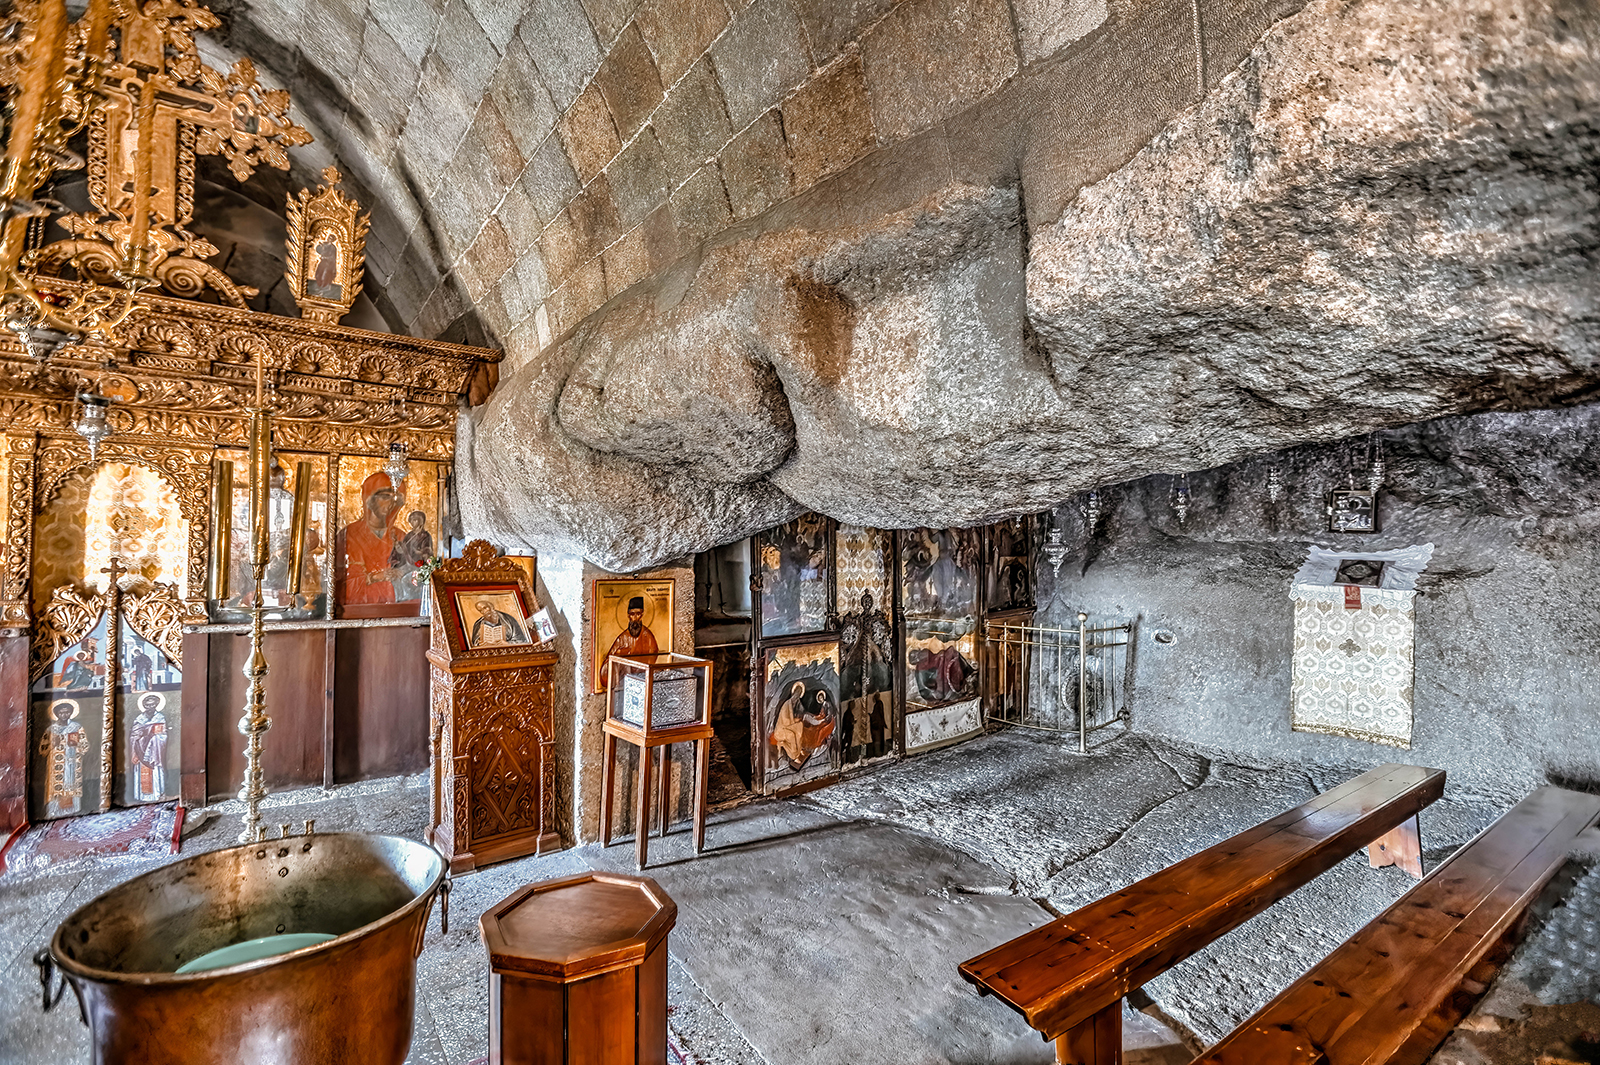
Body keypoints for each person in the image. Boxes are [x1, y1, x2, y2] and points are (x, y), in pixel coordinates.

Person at [337, 471, 402, 605]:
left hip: (395, 607)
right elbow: (341, 579)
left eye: (393, 498)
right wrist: (377, 577)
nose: (390, 503)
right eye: (384, 497)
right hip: (359, 607)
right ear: (370, 499)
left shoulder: (400, 535)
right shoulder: (350, 534)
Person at [601, 596, 659, 688]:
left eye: (638, 613)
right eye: (632, 614)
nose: (635, 617)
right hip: (625, 681)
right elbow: (608, 663)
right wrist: (619, 656)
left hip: (643, 680)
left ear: (642, 614)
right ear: (628, 615)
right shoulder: (622, 638)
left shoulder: (648, 636)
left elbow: (652, 658)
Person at [41, 699, 86, 817]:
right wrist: (52, 744)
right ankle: (55, 810)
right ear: (56, 714)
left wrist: (76, 745)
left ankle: (72, 810)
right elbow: (43, 749)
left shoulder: (76, 727)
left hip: (72, 762)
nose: (64, 715)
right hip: (56, 765)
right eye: (61, 713)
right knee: (57, 786)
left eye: (67, 712)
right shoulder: (51, 730)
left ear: (71, 713)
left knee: (71, 784)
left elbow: (84, 746)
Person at [128, 692, 168, 803]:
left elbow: (163, 735)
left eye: (152, 705)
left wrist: (154, 738)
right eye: (148, 705)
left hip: (154, 751)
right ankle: (142, 796)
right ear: (144, 706)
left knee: (155, 772)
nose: (150, 707)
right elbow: (134, 736)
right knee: (142, 773)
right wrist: (142, 737)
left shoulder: (160, 717)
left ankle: (157, 794)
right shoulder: (139, 719)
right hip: (140, 750)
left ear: (156, 705)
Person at [389, 510, 433, 602]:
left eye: (415, 520)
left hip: (417, 565)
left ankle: (408, 600)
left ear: (420, 521)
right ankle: (399, 599)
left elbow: (427, 552)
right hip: (407, 563)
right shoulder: (409, 535)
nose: (412, 523)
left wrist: (418, 551)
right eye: (411, 520)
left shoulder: (425, 536)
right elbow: (403, 551)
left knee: (405, 580)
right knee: (394, 576)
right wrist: (398, 546)